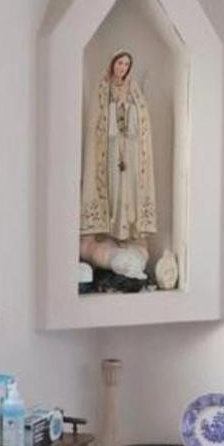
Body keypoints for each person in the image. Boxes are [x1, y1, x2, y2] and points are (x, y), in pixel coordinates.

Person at [80, 50, 157, 278]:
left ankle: (127, 232)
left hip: (129, 150)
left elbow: (142, 119)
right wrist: (116, 108)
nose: (122, 67)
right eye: (120, 63)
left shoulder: (134, 89)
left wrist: (128, 109)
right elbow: (98, 120)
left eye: (126, 64)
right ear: (113, 63)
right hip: (110, 150)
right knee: (111, 188)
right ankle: (108, 232)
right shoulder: (103, 88)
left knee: (127, 189)